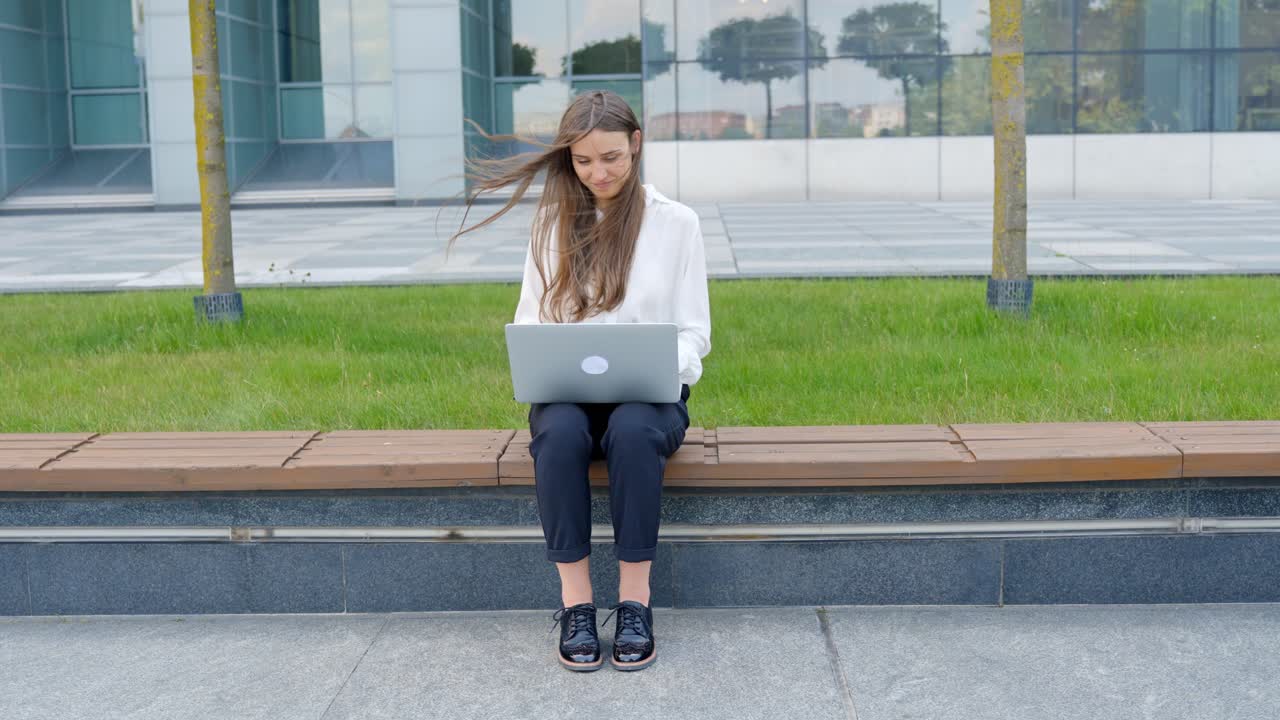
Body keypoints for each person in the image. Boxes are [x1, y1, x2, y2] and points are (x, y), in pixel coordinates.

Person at [448, 90, 711, 672]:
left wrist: (666, 365)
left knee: (636, 428)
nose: (600, 173)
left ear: (636, 145)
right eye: (584, 161)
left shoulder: (676, 224)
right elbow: (529, 320)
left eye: (612, 157)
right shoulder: (551, 224)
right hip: (568, 395)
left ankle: (635, 604)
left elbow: (695, 333)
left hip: (649, 397)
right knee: (560, 433)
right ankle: (577, 607)